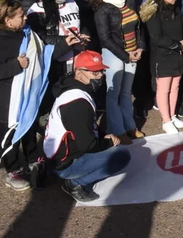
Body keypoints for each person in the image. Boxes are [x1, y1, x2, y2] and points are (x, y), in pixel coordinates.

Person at [0, 0, 70, 190]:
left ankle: (33, 159)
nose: (25, 19)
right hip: (9, 99)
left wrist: (65, 44)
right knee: (12, 134)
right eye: (21, 16)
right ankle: (12, 171)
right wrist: (16, 65)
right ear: (8, 20)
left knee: (29, 127)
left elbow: (42, 53)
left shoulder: (26, 33)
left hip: (29, 93)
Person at [44, 50, 131, 202]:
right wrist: (109, 142)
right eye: (95, 72)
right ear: (78, 72)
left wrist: (104, 137)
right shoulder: (77, 102)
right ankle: (74, 184)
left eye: (101, 71)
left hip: (62, 155)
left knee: (111, 146)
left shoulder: (73, 88)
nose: (100, 76)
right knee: (122, 156)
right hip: (67, 162)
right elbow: (87, 145)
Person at [90, 0, 145, 145]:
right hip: (114, 54)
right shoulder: (102, 8)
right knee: (113, 93)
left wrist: (140, 48)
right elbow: (105, 38)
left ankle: (130, 127)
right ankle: (118, 130)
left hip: (133, 52)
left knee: (126, 92)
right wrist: (125, 55)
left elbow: (139, 27)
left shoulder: (130, 1)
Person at [139, 0, 183, 135]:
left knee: (175, 86)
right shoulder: (154, 12)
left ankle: (172, 115)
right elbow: (156, 38)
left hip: (178, 55)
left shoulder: (176, 9)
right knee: (164, 88)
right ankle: (165, 120)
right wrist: (178, 45)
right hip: (163, 57)